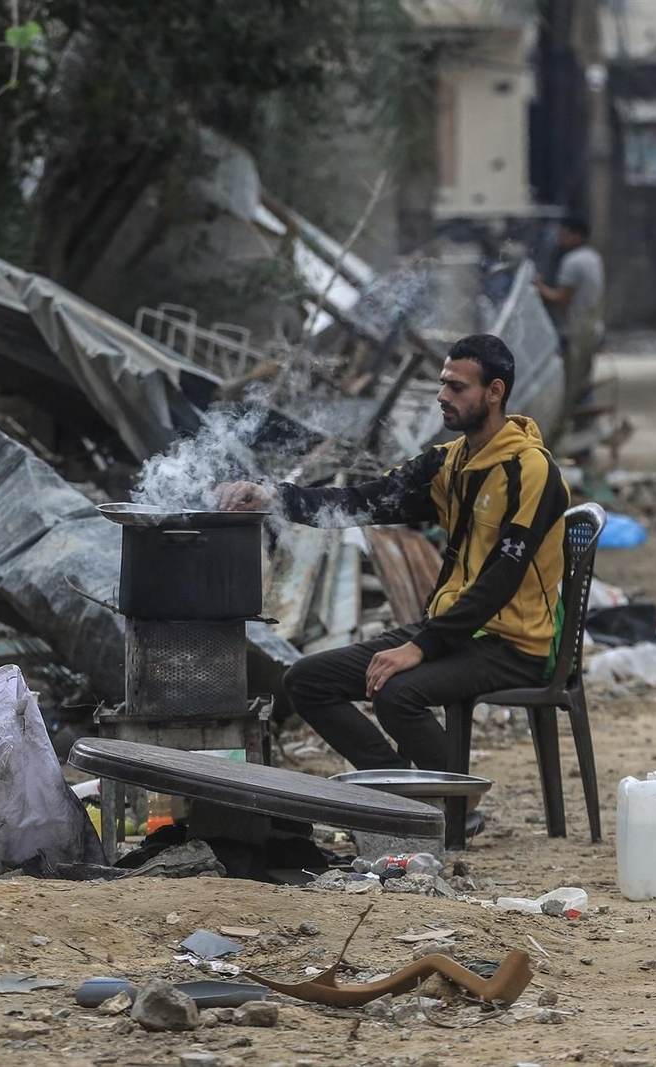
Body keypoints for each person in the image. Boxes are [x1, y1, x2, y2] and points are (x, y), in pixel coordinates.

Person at [216, 334, 568, 837]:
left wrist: (419, 647)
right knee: (306, 681)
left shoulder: (532, 471)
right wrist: (272, 497)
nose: (442, 396)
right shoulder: (451, 462)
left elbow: (500, 581)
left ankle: (456, 804)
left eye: (456, 386)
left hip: (512, 641)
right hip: (453, 631)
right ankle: (407, 798)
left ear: (494, 392)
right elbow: (367, 499)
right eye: (441, 384)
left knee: (397, 690)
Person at [534, 216, 606, 431]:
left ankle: (582, 439)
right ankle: (584, 436)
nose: (560, 239)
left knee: (575, 386)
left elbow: (561, 300)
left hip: (576, 332)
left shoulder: (572, 262)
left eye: (564, 234)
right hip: (592, 328)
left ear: (576, 235)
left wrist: (538, 286)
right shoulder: (593, 257)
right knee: (583, 382)